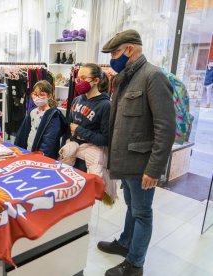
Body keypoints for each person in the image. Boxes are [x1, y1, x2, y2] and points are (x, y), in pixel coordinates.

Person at [97, 30, 176, 276]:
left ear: (130, 49)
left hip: (142, 164)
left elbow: (166, 127)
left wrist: (154, 168)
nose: (112, 58)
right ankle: (125, 243)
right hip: (126, 161)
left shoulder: (153, 77)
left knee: (142, 213)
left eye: (115, 52)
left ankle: (135, 264)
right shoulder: (125, 77)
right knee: (132, 207)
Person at [58, 63, 117, 204]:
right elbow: (69, 128)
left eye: (83, 78)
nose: (79, 82)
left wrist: (80, 131)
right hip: (72, 153)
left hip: (88, 159)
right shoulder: (77, 99)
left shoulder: (105, 105)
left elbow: (106, 139)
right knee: (69, 192)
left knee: (84, 198)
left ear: (96, 80)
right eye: (78, 79)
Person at [14, 80, 66, 159]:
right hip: (29, 150)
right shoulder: (32, 111)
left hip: (41, 156)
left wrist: (40, 158)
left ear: (49, 96)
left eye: (42, 95)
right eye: (35, 94)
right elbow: (23, 132)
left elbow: (49, 141)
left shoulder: (53, 115)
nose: (37, 98)